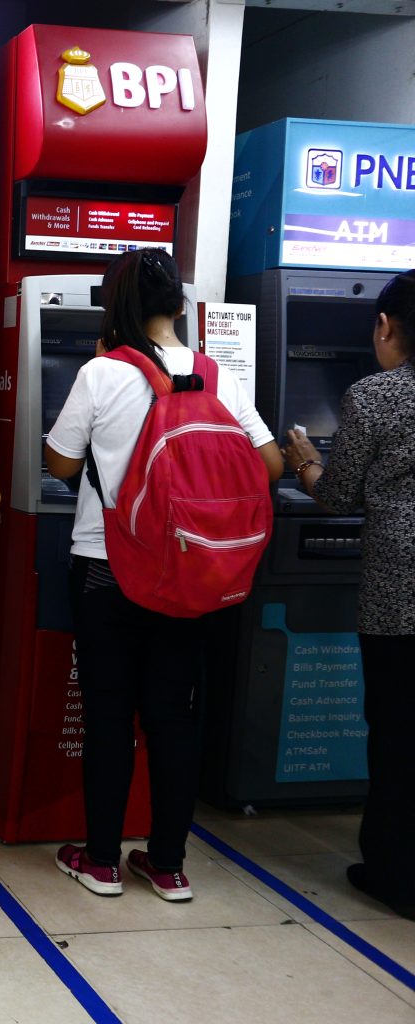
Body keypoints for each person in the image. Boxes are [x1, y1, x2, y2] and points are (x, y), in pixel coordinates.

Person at [44, 248, 282, 902]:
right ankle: (169, 865)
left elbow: (60, 464)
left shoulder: (101, 372)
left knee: (109, 717)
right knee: (173, 718)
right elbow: (268, 464)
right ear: (180, 304)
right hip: (188, 570)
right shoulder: (216, 376)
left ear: (115, 306)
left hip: (106, 568)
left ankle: (100, 861)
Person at [283, 270, 415, 918]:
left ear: (385, 326)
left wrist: (306, 458)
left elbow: (337, 494)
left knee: (397, 733)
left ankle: (395, 874)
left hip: (399, 593)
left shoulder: (374, 394)